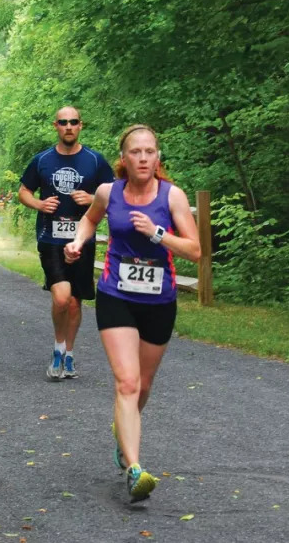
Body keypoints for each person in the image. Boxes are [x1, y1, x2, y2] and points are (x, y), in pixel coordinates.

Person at [63, 124, 201, 503]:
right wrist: (76, 242)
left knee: (143, 384)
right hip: (116, 294)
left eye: (150, 152)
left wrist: (158, 234)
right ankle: (134, 468)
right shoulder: (109, 192)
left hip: (159, 301)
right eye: (135, 152)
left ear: (158, 158)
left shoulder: (172, 197)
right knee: (126, 382)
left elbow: (195, 251)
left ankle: (123, 431)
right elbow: (90, 219)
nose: (143, 158)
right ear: (123, 159)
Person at [19, 106, 114, 381]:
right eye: (63, 122)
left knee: (74, 302)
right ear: (56, 126)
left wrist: (94, 197)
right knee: (61, 297)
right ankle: (58, 347)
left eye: (73, 122)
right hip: (51, 237)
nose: (68, 126)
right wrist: (38, 203)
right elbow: (23, 190)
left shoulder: (95, 161)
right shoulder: (43, 160)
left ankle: (69, 354)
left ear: (81, 126)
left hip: (82, 238)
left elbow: (115, 194)